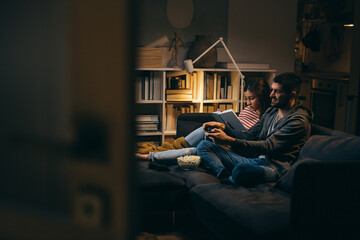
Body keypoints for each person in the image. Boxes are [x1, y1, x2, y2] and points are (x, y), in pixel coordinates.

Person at [196, 72, 313, 186]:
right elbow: (249, 135)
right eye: (272, 90)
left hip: (275, 169)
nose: (271, 95)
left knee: (242, 170)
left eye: (277, 91)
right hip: (257, 161)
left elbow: (268, 146)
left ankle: (233, 177)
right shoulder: (272, 112)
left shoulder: (298, 121)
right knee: (204, 146)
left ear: (292, 95)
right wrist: (223, 128)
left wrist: (228, 140)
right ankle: (224, 175)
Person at [136, 78, 271, 164]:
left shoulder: (268, 117)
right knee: (205, 129)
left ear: (262, 97)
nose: (247, 103)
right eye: (246, 98)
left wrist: (230, 133)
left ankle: (150, 157)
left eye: (251, 98)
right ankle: (157, 150)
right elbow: (238, 127)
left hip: (235, 146)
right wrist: (224, 124)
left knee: (197, 149)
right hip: (230, 136)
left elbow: (251, 140)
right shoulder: (248, 109)